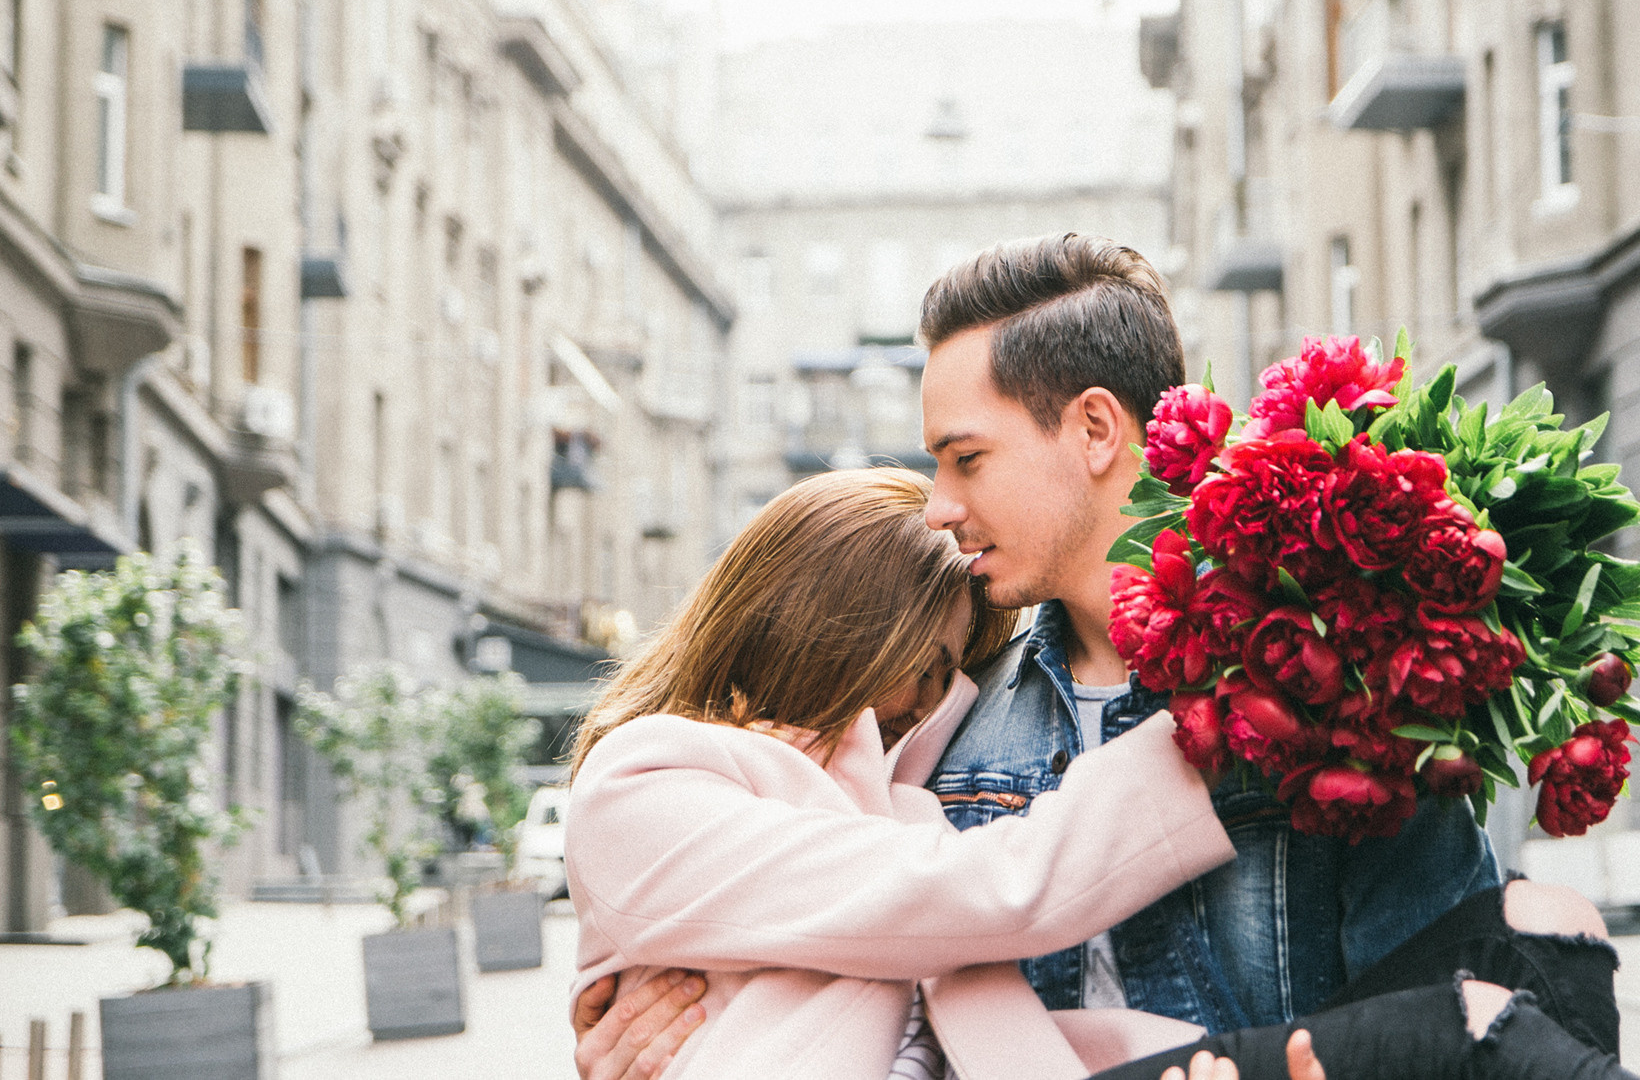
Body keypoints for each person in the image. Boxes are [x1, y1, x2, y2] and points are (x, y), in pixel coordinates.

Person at [571, 235, 1522, 1075]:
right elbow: (901, 946)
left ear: (1096, 429)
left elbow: (1465, 1015)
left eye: (966, 457)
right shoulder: (947, 735)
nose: (938, 503)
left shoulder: (1334, 694)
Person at [563, 468, 1241, 1079]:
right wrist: (1208, 732)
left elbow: (997, 1029)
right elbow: (993, 887)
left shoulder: (891, 800)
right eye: (925, 667)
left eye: (948, 678)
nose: (926, 705)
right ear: (837, 630)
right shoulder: (635, 786)